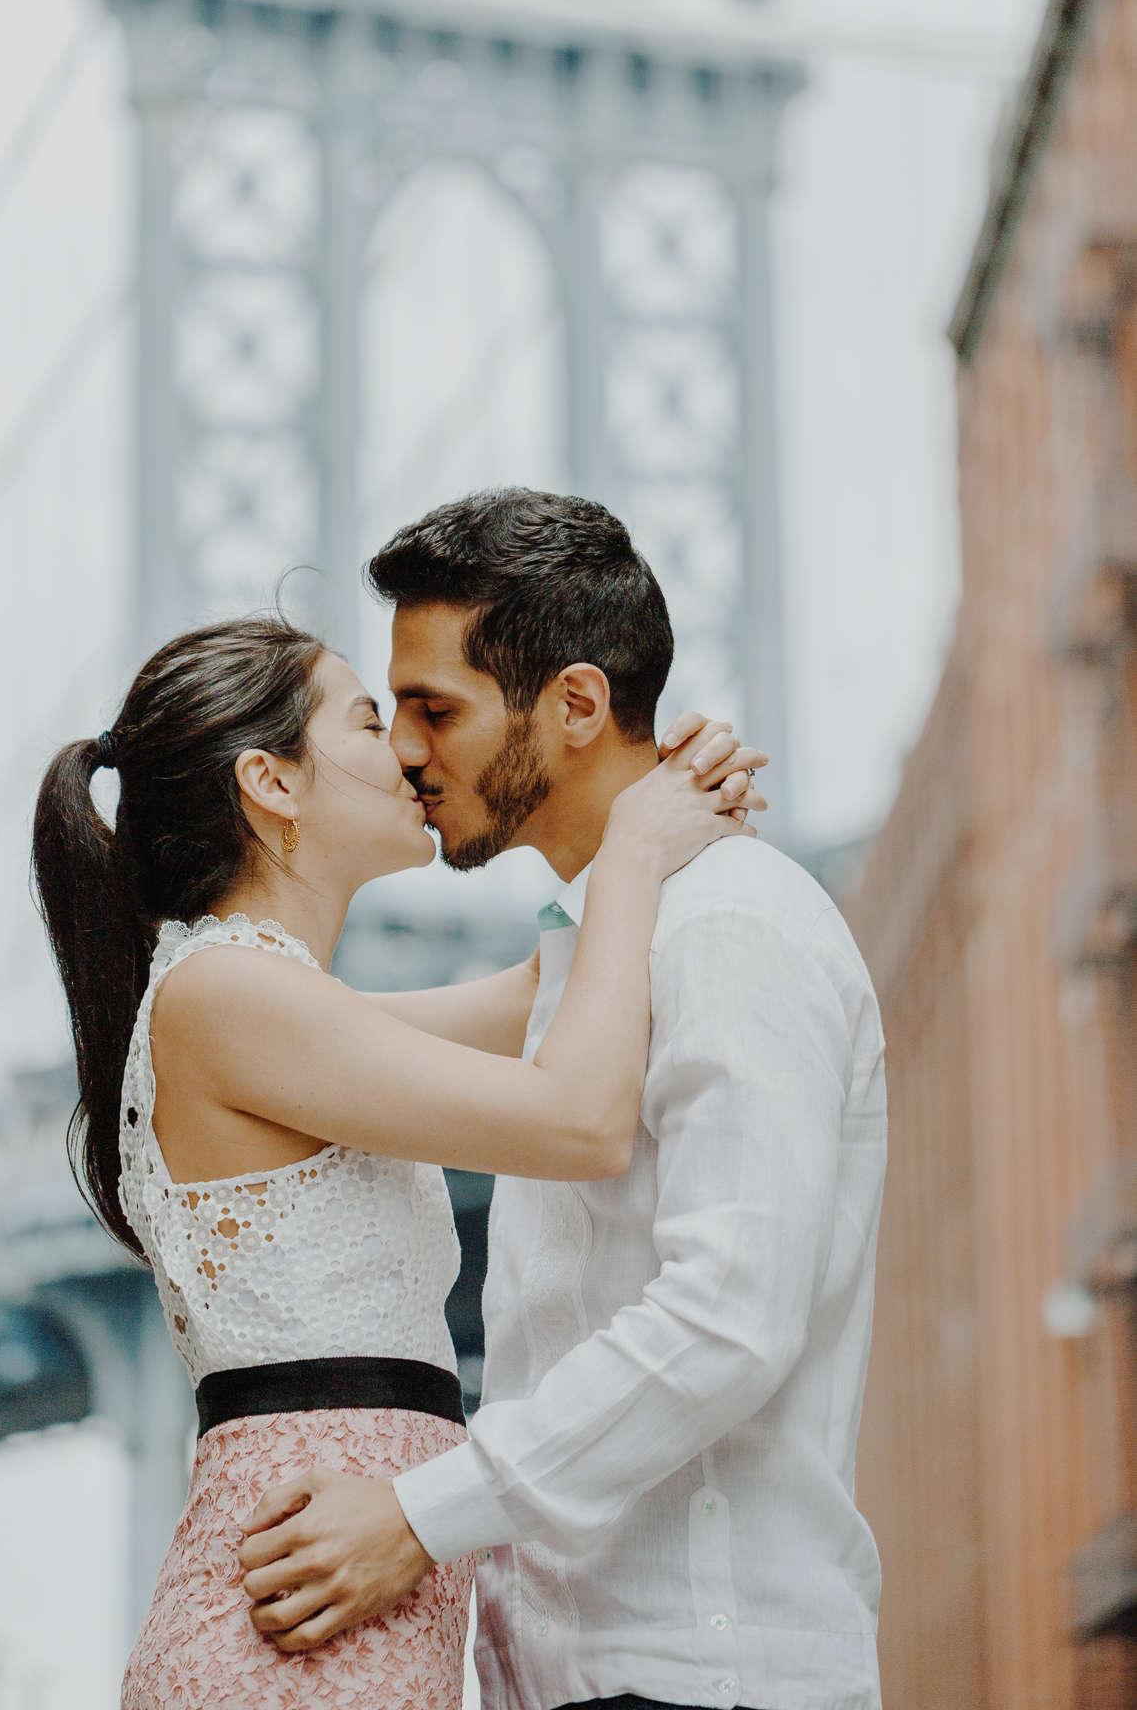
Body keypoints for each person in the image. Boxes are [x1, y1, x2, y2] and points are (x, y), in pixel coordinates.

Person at [31, 601, 764, 1710]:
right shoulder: (225, 993)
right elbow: (577, 1117)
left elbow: (538, 997)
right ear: (272, 783)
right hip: (290, 1619)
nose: (413, 751)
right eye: (372, 723)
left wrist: (643, 812)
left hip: (340, 1602)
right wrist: (632, 859)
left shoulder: (279, 1002)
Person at [237, 488, 888, 1710]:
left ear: (577, 703)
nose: (408, 751)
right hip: (566, 1673)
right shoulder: (590, 951)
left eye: (436, 707)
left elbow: (728, 1316)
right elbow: (329, 1053)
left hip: (705, 1671)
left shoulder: (733, 923)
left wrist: (417, 1517)